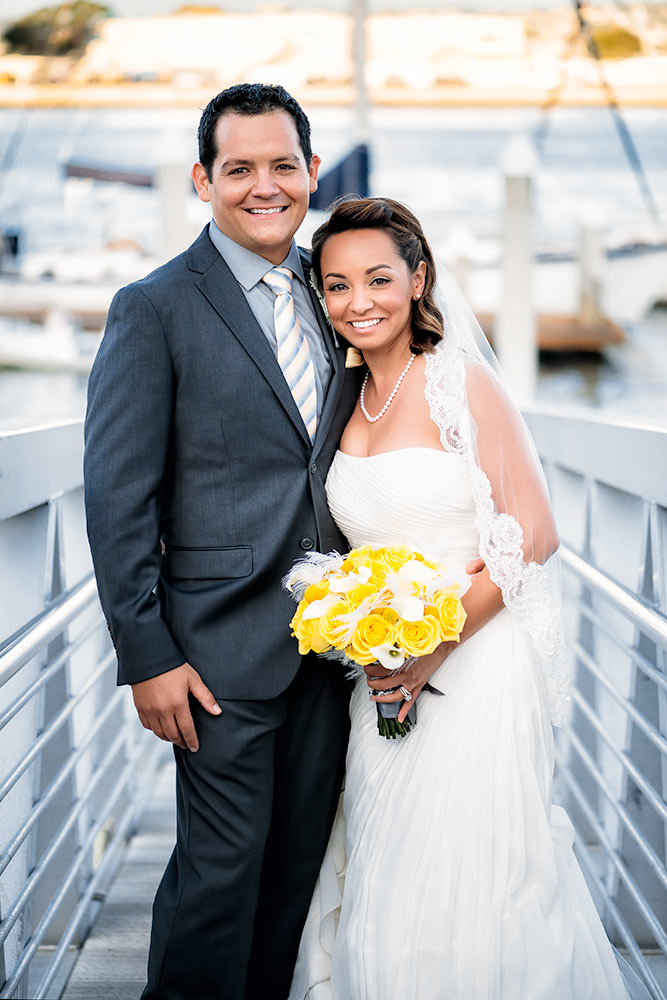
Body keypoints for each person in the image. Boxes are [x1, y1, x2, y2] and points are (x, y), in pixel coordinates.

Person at [288, 196, 650, 1000]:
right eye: (337, 286)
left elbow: (533, 531)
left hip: (476, 661)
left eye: (379, 279)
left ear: (418, 280)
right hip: (383, 669)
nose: (360, 302)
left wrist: (436, 643)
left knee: (474, 866)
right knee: (387, 853)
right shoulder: (341, 398)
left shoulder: (462, 381)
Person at [83, 83, 362, 1000]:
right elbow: (119, 493)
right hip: (213, 654)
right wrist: (145, 654)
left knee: (292, 879)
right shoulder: (153, 307)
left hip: (335, 647)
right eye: (238, 168)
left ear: (312, 172)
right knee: (217, 879)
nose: (264, 186)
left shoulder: (343, 291)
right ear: (204, 180)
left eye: (283, 165)